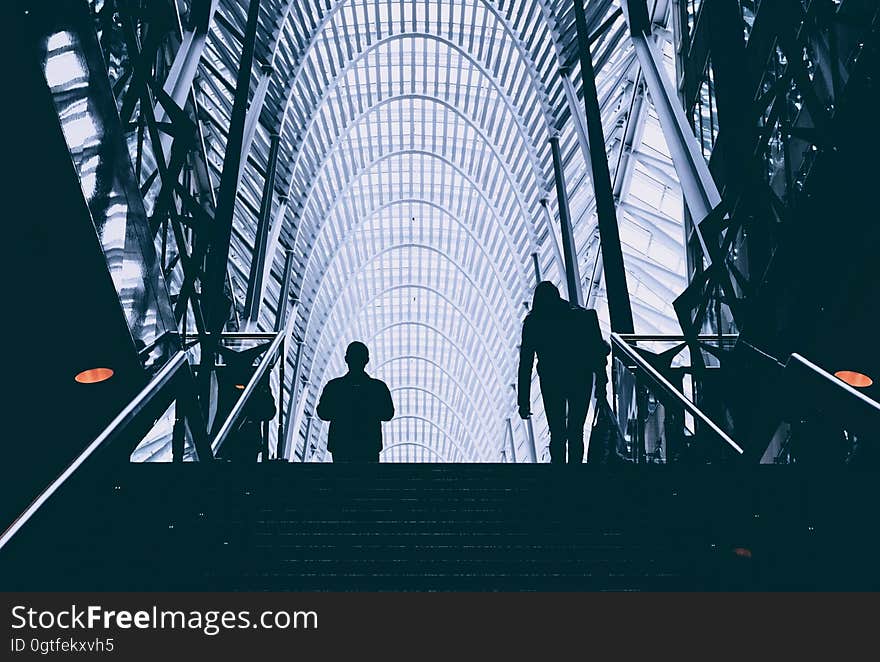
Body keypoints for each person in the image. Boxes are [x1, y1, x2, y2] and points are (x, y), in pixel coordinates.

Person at [517, 281, 609, 464]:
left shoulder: (534, 322)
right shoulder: (583, 317)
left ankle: (558, 475)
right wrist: (601, 383)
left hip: (551, 380)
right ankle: (575, 476)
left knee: (557, 431)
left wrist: (524, 402)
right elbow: (596, 351)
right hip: (580, 377)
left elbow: (526, 363)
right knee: (576, 430)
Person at [317, 342, 395, 462]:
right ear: (366, 360)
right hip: (369, 445)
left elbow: (323, 413)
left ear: (346, 359)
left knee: (342, 478)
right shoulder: (378, 388)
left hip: (341, 444)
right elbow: (388, 414)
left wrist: (342, 410)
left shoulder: (334, 386)